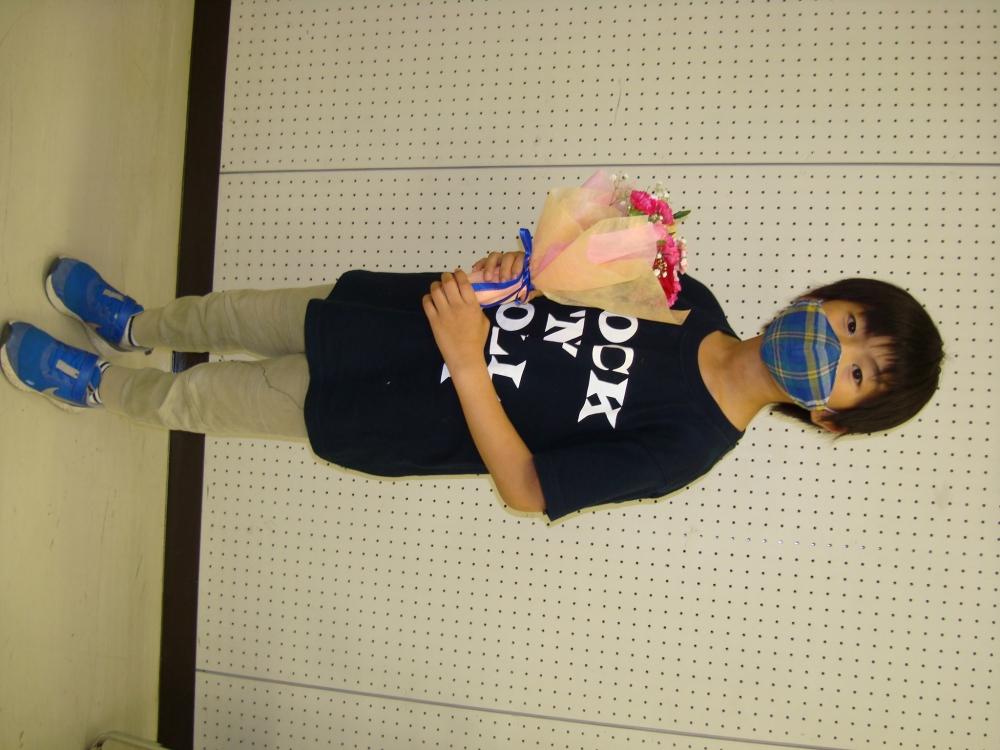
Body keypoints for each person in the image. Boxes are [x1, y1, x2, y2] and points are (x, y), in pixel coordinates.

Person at [0, 254, 943, 522]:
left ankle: (99, 387)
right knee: (232, 315)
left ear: (831, 417)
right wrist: (509, 275)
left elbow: (528, 489)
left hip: (393, 413)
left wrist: (467, 357)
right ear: (823, 297)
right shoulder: (687, 296)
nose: (835, 346)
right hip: (391, 316)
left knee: (199, 402)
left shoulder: (686, 450)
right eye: (851, 322)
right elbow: (552, 282)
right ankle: (134, 327)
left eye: (857, 372)